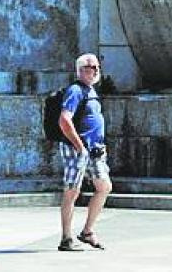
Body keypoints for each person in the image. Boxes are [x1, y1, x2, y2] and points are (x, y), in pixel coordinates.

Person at [57, 53, 112, 252]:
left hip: (95, 150)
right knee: (72, 191)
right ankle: (66, 238)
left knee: (104, 186)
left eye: (97, 67)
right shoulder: (75, 90)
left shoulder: (91, 91)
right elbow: (64, 120)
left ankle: (87, 231)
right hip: (77, 149)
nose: (95, 71)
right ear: (80, 70)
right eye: (90, 67)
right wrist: (79, 146)